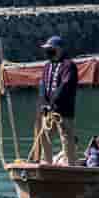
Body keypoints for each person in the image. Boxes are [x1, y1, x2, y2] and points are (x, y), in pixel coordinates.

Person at [33, 35, 80, 166]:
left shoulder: (69, 66)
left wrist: (52, 104)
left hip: (63, 111)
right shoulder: (47, 66)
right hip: (48, 111)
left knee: (66, 138)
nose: (48, 51)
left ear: (59, 49)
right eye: (47, 49)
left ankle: (70, 165)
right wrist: (44, 104)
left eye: (50, 48)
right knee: (45, 135)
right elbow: (43, 85)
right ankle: (46, 163)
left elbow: (65, 86)